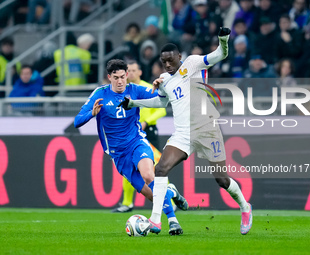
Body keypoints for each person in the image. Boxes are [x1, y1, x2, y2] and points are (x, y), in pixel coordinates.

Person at [118, 28, 253, 235]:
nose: (168, 65)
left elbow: (220, 54)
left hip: (207, 129)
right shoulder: (165, 79)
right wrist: (134, 103)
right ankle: (155, 221)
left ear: (179, 56)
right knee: (160, 169)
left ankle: (244, 206)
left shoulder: (193, 63)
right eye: (164, 62)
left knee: (221, 179)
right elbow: (160, 102)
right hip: (183, 133)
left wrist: (223, 40)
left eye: (171, 60)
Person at [74, 59, 188, 235]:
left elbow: (161, 99)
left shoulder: (134, 90)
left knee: (149, 176)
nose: (120, 81)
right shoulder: (100, 94)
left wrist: (162, 86)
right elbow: (77, 121)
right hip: (118, 155)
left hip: (137, 143)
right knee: (150, 194)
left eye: (123, 77)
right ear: (109, 78)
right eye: (116, 78)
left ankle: (173, 221)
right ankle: (171, 192)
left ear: (127, 75)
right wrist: (92, 113)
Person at [111, 60, 166, 213]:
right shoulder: (123, 92)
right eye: (130, 71)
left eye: (135, 70)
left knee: (155, 170)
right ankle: (127, 203)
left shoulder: (147, 88)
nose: (133, 73)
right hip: (130, 133)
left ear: (140, 72)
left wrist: (146, 122)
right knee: (129, 168)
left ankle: (170, 198)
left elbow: (162, 110)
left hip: (148, 131)